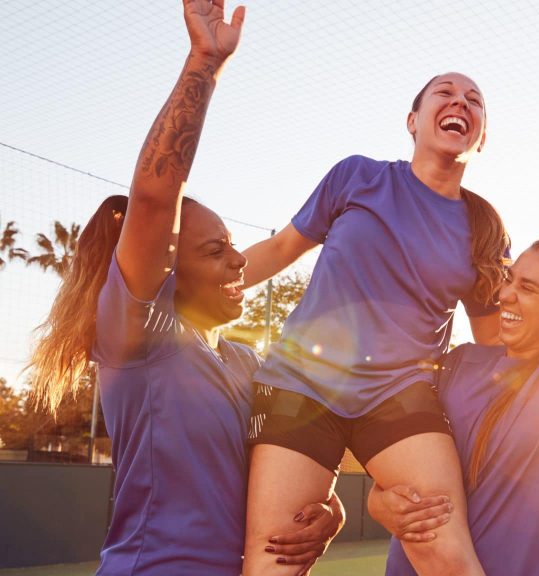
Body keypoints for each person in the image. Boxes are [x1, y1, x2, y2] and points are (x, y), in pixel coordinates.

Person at [29, 2, 342, 573]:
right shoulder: (139, 338)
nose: (237, 260)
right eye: (214, 251)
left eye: (232, 246)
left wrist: (328, 507)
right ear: (168, 271)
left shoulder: (245, 362)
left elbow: (282, 459)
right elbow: (154, 198)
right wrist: (205, 62)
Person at [367, 2, 539, 574]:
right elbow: (391, 465)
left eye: (529, 287)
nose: (505, 295)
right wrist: (381, 503)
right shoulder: (456, 364)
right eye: (509, 280)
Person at [239, 34, 509, 576]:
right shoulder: (357, 176)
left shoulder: (485, 228)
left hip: (400, 395)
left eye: (474, 100)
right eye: (445, 93)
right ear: (413, 120)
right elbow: (279, 249)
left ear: (481, 137)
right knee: (275, 558)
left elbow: (492, 344)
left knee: (443, 549)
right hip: (300, 385)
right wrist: (184, 295)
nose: (460, 102)